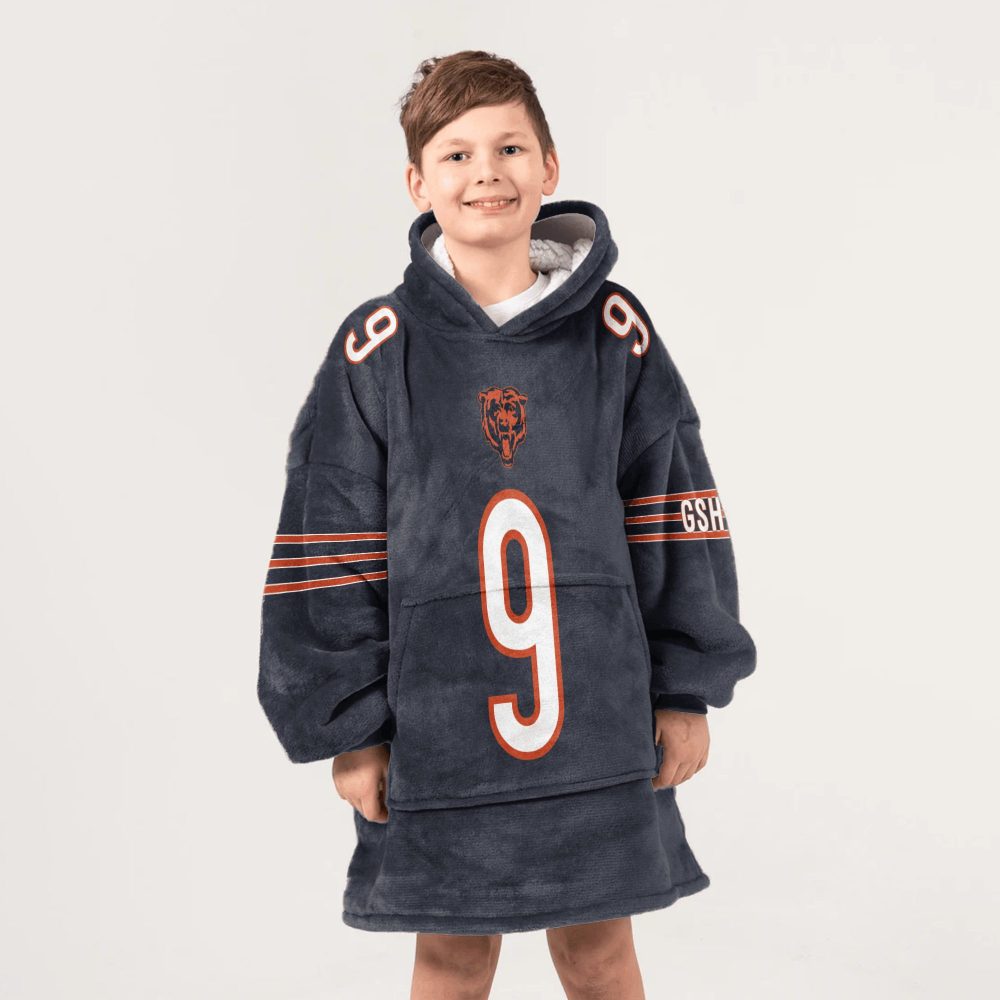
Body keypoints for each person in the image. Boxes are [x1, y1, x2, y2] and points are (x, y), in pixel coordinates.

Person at [257, 49, 756, 1000]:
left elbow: (673, 510)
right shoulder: (377, 350)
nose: (485, 172)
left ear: (550, 166)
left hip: (597, 720)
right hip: (438, 728)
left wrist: (687, 687)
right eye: (456, 155)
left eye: (510, 148)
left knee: (598, 952)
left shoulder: (615, 333)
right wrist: (351, 727)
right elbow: (330, 536)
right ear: (418, 183)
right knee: (452, 957)